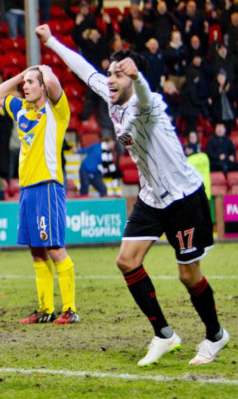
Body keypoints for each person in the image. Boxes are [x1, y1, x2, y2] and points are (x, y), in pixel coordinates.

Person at [36, 23, 229, 366]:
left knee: (188, 275)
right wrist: (51, 41)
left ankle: (215, 335)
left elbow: (142, 94)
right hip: (152, 197)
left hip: (183, 197)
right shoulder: (112, 97)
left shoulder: (148, 102)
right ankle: (164, 335)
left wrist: (137, 77)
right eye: (110, 73)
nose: (110, 79)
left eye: (119, 75)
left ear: (133, 78)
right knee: (126, 261)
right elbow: (84, 71)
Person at [0, 63, 79, 326]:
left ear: (42, 86)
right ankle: (45, 309)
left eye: (30, 82)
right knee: (36, 251)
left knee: (54, 248)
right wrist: (20, 75)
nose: (25, 86)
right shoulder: (20, 109)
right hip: (27, 188)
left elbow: (53, 84)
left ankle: (70, 309)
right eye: (24, 83)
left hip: (48, 185)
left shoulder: (56, 111)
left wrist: (44, 69)